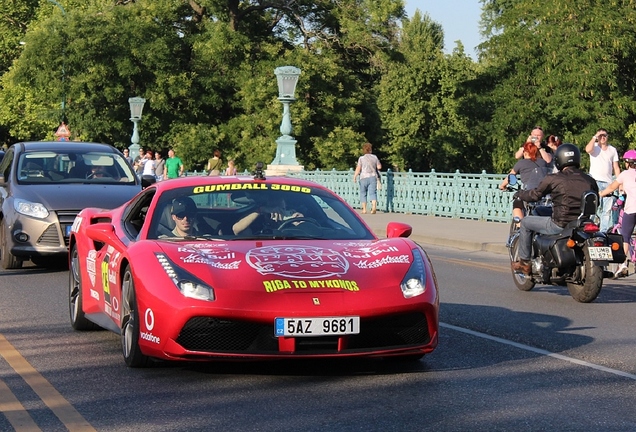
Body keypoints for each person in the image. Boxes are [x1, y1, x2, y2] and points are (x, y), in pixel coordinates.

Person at [511, 144, 599, 275]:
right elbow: (596, 200)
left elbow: (535, 195)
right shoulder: (589, 179)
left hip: (560, 224)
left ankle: (524, 263)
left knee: (525, 222)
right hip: (582, 223)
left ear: (559, 160)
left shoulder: (553, 178)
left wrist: (520, 194)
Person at [598, 149, 636, 277]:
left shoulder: (625, 174)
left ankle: (623, 264)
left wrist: (601, 194)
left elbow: (611, 187)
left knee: (625, 236)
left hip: (631, 209)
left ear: (627, 163)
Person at [499, 141, 548, 221]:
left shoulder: (521, 163)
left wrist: (502, 186)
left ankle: (519, 225)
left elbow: (510, 176)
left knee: (517, 201)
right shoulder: (543, 162)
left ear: (525, 153)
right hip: (543, 192)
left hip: (528, 192)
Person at [586, 128, 621, 232]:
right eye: (600, 136)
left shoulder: (612, 150)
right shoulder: (595, 147)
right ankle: (588, 229)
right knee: (593, 208)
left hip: (608, 183)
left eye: (604, 135)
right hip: (595, 181)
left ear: (607, 136)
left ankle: (603, 232)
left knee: (607, 210)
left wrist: (619, 183)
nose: (602, 137)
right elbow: (587, 149)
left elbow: (616, 167)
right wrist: (595, 137)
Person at [232, 194, 303, 235]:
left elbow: (311, 234)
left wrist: (301, 222)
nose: (277, 214)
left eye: (282, 210)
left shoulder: (293, 223)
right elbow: (236, 229)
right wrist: (260, 210)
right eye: (273, 210)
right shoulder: (257, 223)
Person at [352, 142, 382, 214]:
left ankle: (364, 209)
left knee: (363, 193)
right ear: (370, 150)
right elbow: (379, 167)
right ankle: (374, 207)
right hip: (373, 177)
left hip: (363, 177)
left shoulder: (361, 158)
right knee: (373, 193)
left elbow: (358, 168)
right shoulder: (375, 157)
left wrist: (355, 176)